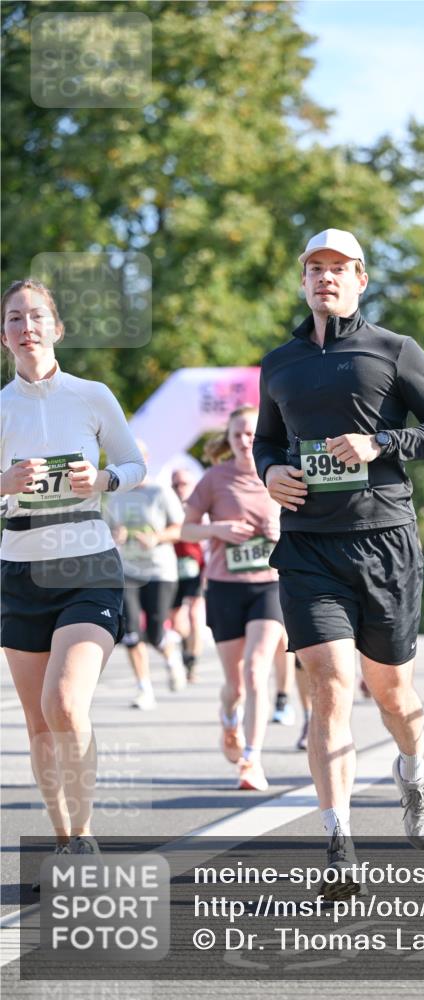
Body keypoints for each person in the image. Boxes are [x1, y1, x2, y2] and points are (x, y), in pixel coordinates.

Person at [253, 228, 424, 897]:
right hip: (309, 544)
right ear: (302, 280)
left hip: (384, 541)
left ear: (361, 278)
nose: (326, 278)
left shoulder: (393, 350)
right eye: (314, 268)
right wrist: (271, 473)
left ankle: (412, 768)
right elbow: (265, 441)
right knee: (328, 682)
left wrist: (379, 442)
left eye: (339, 268)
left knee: (393, 695)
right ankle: (338, 841)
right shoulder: (278, 363)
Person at [0, 278, 145, 871]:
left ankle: (83, 834)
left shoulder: (91, 395)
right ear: (3, 335)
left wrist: (103, 480)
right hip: (18, 573)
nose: (26, 326)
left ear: (57, 328)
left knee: (64, 703)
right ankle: (63, 839)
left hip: (87, 566)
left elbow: (135, 463)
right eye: (14, 318)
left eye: (36, 316)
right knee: (38, 722)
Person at [180, 405, 287, 792]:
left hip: (270, 583)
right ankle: (229, 718)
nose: (245, 441)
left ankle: (252, 759)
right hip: (226, 585)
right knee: (235, 685)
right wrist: (219, 529)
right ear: (228, 439)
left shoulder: (282, 472)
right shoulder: (214, 478)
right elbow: (186, 529)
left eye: (252, 433)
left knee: (257, 669)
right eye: (238, 434)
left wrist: (283, 530)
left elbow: (311, 520)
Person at [105, 442, 187, 709]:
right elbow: (107, 529)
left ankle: (172, 657)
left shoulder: (160, 492)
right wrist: (115, 535)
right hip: (127, 571)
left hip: (159, 570)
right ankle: (144, 689)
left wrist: (156, 538)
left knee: (154, 632)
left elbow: (180, 529)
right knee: (130, 631)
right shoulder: (114, 495)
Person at [170, 468, 206, 682]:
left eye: (184, 484)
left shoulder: (201, 507)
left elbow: (210, 541)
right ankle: (186, 648)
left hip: (196, 567)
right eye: (176, 485)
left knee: (194, 614)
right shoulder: (166, 505)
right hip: (172, 567)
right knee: (176, 619)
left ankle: (192, 662)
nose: (180, 488)